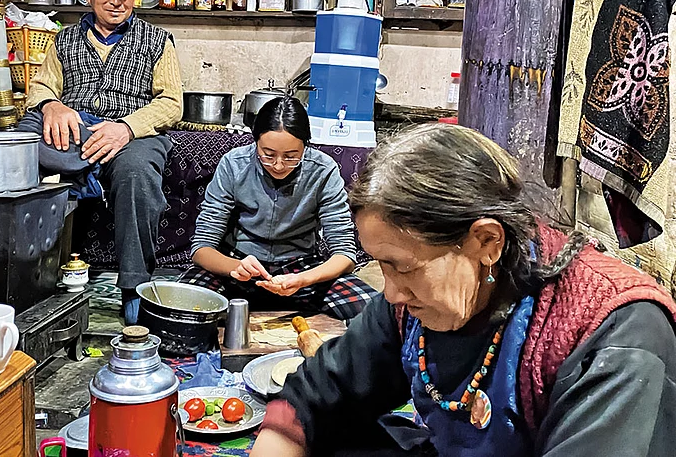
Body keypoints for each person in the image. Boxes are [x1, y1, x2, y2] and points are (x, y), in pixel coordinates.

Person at [252, 124, 676, 456]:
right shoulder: (411, 306)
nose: (392, 293)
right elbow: (316, 395)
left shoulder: (617, 335)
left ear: (486, 241)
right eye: (382, 267)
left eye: (403, 268)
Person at [18, 0, 183, 325]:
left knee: (136, 173)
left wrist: (125, 128)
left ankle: (134, 288)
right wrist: (50, 106)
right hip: (76, 129)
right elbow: (40, 88)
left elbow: (172, 104)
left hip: (133, 133)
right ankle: (27, 278)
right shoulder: (64, 40)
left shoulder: (158, 41)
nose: (116, 1)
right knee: (20, 142)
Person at [179, 96, 376, 321]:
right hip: (241, 266)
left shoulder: (323, 170)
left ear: (306, 145)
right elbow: (202, 248)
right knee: (182, 308)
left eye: (292, 157)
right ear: (255, 142)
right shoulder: (234, 164)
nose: (279, 165)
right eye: (268, 154)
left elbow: (345, 254)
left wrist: (304, 279)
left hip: (301, 269)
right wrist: (236, 267)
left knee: (376, 313)